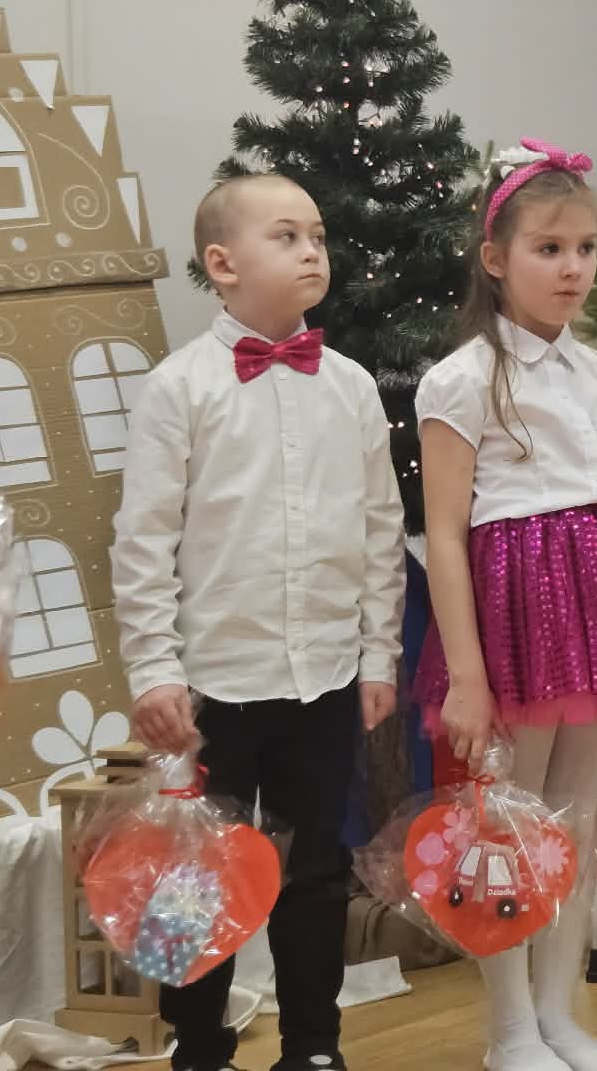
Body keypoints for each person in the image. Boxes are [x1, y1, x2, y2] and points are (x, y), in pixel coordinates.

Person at [111, 173, 406, 1071]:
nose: (313, 251)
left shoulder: (350, 386)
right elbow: (143, 540)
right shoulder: (178, 389)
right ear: (223, 264)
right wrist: (154, 670)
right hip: (215, 683)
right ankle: (199, 1045)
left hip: (324, 675)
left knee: (317, 868)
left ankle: (314, 1044)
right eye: (287, 236)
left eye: (318, 235)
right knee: (196, 871)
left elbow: (380, 528)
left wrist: (378, 655)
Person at [414, 141, 597, 1071]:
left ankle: (560, 1016)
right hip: (518, 613)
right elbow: (446, 533)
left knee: (573, 816)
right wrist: (467, 673)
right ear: (496, 258)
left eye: (585, 249)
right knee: (507, 821)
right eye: (549, 249)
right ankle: (510, 1030)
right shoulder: (461, 380)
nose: (572, 269)